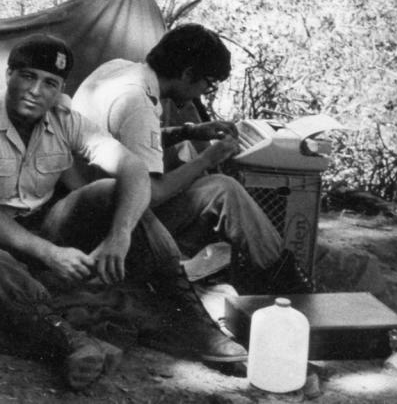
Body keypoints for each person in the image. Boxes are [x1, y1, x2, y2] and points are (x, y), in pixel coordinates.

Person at [0, 34, 236, 391]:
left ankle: (189, 324)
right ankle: (70, 339)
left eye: (50, 83)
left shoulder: (64, 117)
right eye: (27, 76)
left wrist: (120, 234)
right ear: (8, 75)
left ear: (60, 89)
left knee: (108, 192)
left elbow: (133, 169)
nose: (37, 91)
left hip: (43, 228)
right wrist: (52, 255)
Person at [71, 23, 313, 295]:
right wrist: (207, 159)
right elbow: (149, 193)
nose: (202, 94)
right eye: (208, 85)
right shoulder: (137, 101)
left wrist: (188, 131)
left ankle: (280, 276)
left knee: (209, 182)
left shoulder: (118, 70)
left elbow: (123, 143)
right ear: (187, 74)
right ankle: (291, 286)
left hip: (80, 201)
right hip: (110, 224)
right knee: (223, 188)